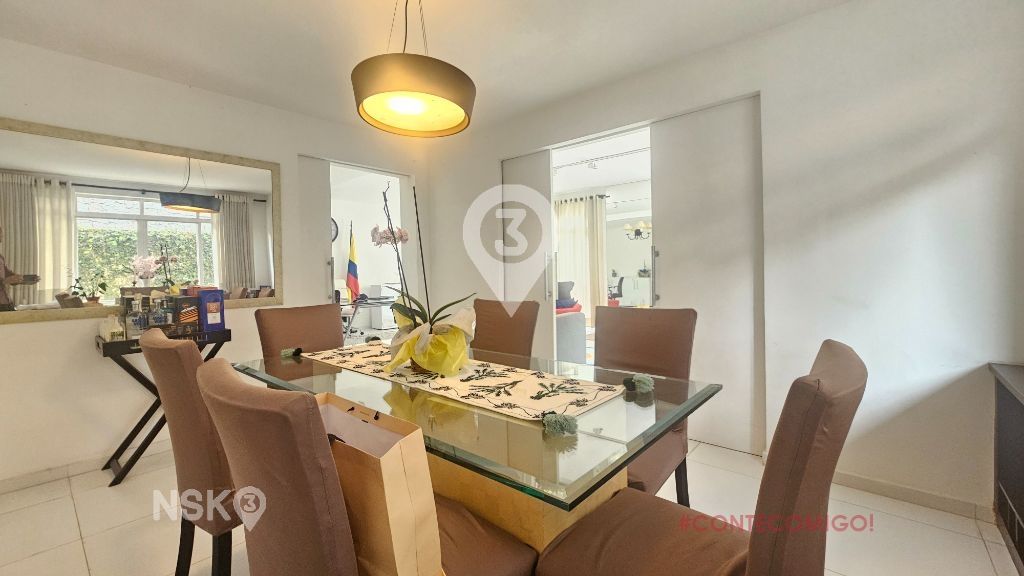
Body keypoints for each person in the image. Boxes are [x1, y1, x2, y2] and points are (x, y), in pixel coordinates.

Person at [0, 225, 26, 310]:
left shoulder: (1, 257)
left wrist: (22, 278)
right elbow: (6, 280)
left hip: (6, 303)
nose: (2, 236)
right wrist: (5, 281)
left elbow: (8, 274)